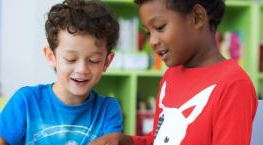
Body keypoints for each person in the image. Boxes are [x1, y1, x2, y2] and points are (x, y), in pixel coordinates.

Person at [89, 0, 258, 145]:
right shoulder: (171, 76)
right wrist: (126, 141)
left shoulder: (234, 84)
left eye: (160, 27)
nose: (153, 41)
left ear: (197, 17)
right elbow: (163, 139)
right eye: (149, 32)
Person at [0, 0, 123, 144]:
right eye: (71, 59)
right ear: (51, 57)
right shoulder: (26, 101)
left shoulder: (108, 110)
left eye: (93, 60)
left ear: (107, 62)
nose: (82, 69)